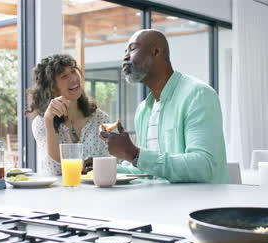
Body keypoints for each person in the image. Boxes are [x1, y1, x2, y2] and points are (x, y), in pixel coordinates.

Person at [100, 29, 228, 183]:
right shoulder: (143, 110)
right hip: (160, 201)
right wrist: (99, 166)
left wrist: (135, 154)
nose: (125, 57)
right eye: (125, 51)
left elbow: (203, 167)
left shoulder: (197, 94)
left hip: (197, 203)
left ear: (156, 51)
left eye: (132, 49)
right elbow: (146, 170)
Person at [27, 54, 109, 176]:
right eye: (64, 76)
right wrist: (49, 120)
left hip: (95, 194)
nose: (74, 79)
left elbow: (109, 165)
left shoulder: (101, 119)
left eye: (73, 71)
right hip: (55, 194)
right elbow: (56, 167)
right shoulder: (41, 123)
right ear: (52, 88)